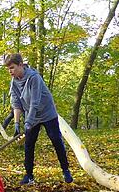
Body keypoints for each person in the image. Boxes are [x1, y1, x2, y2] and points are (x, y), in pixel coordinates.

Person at [6, 54, 73, 185]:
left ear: (21, 65)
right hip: (31, 115)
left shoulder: (34, 77)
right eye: (8, 69)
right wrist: (16, 124)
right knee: (29, 144)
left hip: (47, 113)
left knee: (56, 139)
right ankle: (29, 175)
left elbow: (35, 102)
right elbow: (16, 103)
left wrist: (28, 122)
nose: (10, 71)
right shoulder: (14, 82)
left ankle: (65, 170)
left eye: (12, 68)